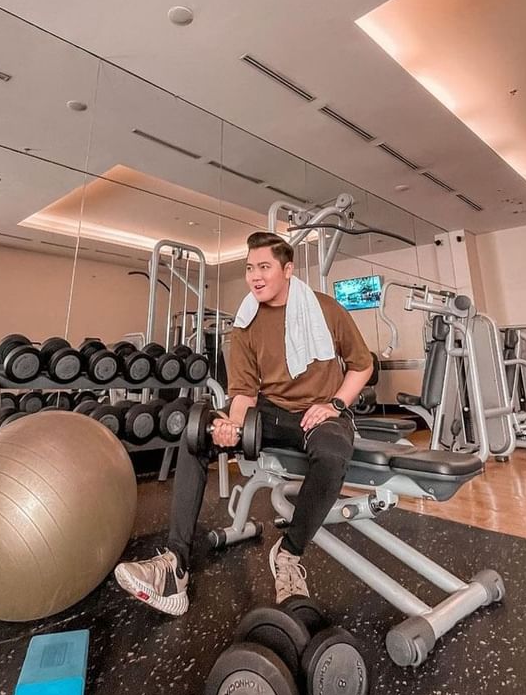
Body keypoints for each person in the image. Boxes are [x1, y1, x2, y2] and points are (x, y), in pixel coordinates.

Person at [114, 231, 374, 616]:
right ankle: (175, 566)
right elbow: (245, 393)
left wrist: (335, 404)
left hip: (322, 412)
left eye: (264, 267)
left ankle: (288, 554)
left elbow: (362, 365)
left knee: (333, 453)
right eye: (250, 267)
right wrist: (231, 427)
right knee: (195, 433)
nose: (254, 276)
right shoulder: (246, 322)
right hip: (270, 412)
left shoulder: (326, 309)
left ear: (287, 270)